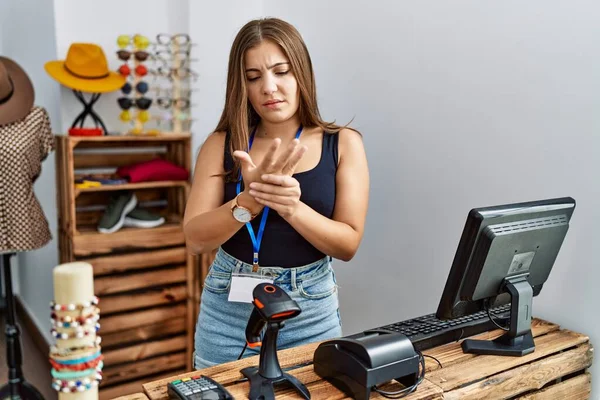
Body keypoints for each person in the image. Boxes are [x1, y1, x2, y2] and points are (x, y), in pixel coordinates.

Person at [183, 17, 369, 370]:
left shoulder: (343, 143)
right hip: (228, 308)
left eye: (281, 71)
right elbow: (195, 239)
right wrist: (247, 202)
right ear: (242, 86)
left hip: (310, 309)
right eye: (254, 77)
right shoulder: (221, 143)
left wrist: (290, 207)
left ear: (301, 74)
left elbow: (348, 245)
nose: (269, 87)